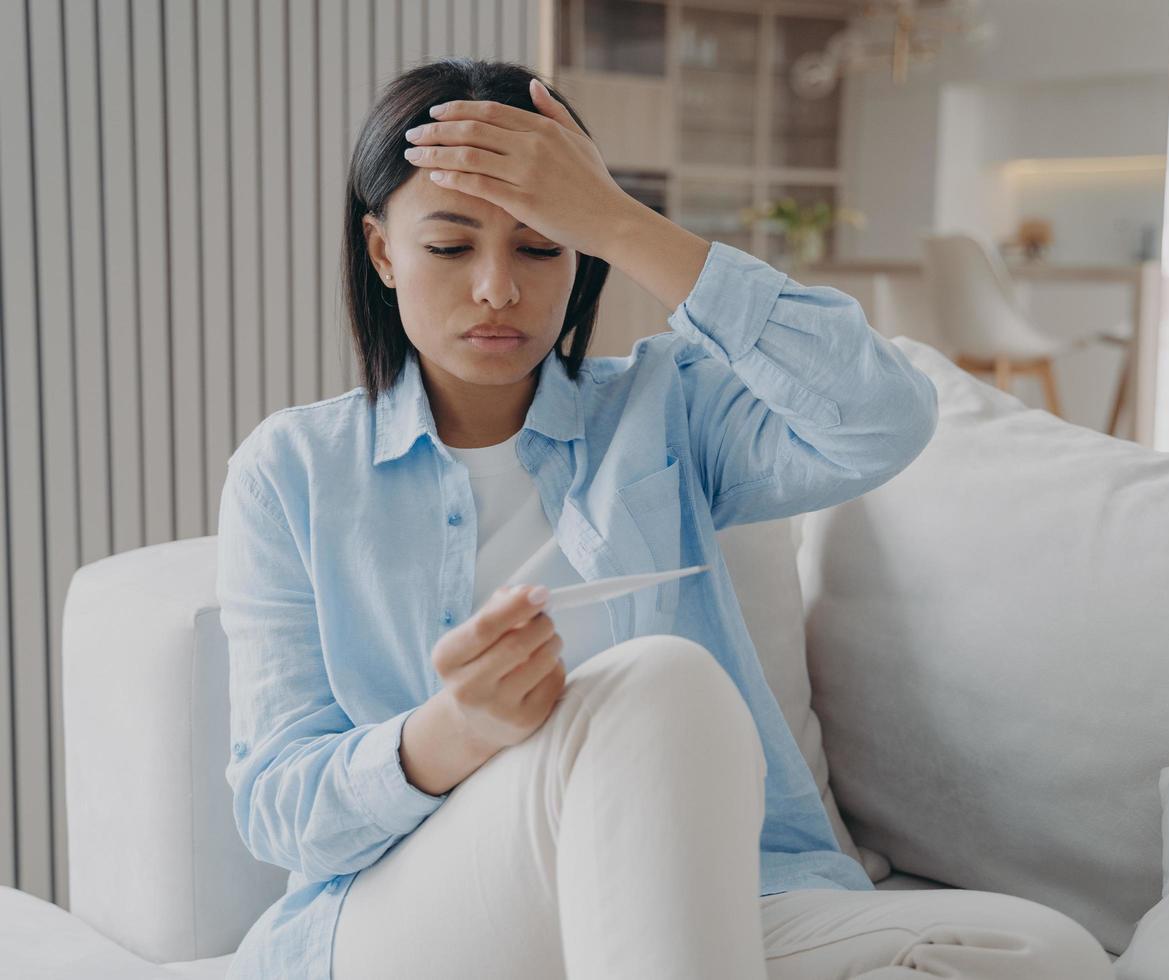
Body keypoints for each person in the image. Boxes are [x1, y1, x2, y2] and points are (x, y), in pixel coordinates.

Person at [216, 58, 1115, 980]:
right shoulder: (293, 472)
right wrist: (454, 731)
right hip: (425, 908)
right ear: (381, 253)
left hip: (702, 892)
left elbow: (881, 418)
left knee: (1042, 953)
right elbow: (278, 806)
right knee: (657, 683)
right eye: (450, 248)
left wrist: (617, 220)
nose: (496, 288)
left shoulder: (665, 408)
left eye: (541, 246)